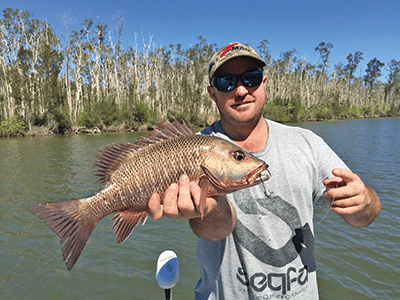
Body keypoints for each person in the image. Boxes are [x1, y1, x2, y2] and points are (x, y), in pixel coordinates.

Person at [148, 42, 381, 299]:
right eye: (226, 82)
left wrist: (364, 202)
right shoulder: (193, 149)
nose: (240, 90)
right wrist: (211, 210)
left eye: (251, 78)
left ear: (265, 83)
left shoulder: (307, 144)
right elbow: (213, 231)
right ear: (212, 93)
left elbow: (364, 218)